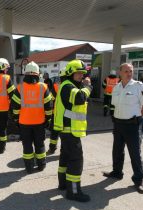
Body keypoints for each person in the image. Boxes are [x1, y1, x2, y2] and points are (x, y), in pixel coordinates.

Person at [103, 63, 143, 194]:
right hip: (118, 124)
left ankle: (138, 180)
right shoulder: (117, 87)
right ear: (120, 72)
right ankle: (117, 172)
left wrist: (139, 117)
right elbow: (115, 106)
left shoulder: (138, 86)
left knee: (135, 153)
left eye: (131, 71)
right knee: (117, 150)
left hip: (132, 125)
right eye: (126, 71)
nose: (129, 73)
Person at [53, 59, 92, 202]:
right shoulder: (68, 86)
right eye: (78, 73)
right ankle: (73, 192)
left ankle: (63, 185)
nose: (81, 76)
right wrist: (88, 87)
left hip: (68, 131)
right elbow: (80, 98)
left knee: (65, 158)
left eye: (83, 73)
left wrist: (83, 87)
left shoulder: (69, 85)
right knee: (76, 161)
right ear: (70, 73)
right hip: (70, 131)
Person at [11, 61, 52, 173]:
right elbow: (48, 107)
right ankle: (41, 165)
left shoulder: (19, 88)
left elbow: (15, 107)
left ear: (25, 73)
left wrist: (16, 119)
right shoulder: (44, 87)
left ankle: (29, 167)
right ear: (38, 74)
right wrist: (48, 119)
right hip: (40, 122)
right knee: (40, 144)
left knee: (27, 145)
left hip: (24, 123)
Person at [47, 69, 66, 155]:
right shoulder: (73, 86)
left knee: (54, 133)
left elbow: (51, 99)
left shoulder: (56, 86)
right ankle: (64, 151)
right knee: (65, 135)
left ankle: (52, 148)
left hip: (56, 114)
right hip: (67, 115)